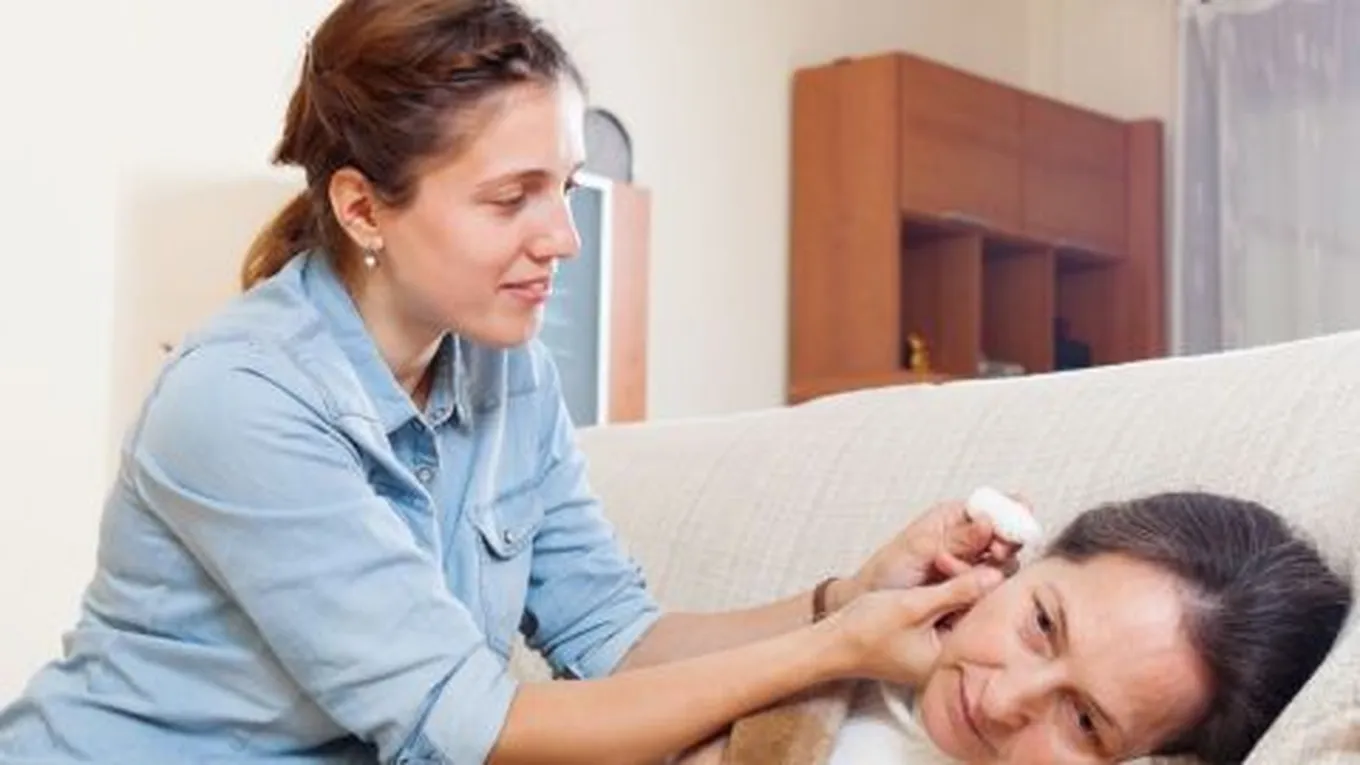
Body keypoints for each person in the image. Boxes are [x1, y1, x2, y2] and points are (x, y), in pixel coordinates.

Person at [0, 2, 1024, 763]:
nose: (564, 238)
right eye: (511, 199)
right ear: (362, 208)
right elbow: (472, 728)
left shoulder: (508, 372)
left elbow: (615, 638)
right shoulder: (240, 401)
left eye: (564, 188)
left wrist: (849, 595)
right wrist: (832, 650)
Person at [820, 491, 1353, 765]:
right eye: (1042, 624)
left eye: (1084, 721)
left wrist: (837, 643)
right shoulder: (877, 651)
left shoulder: (853, 645)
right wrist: (849, 599)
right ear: (1036, 560)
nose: (1001, 702)